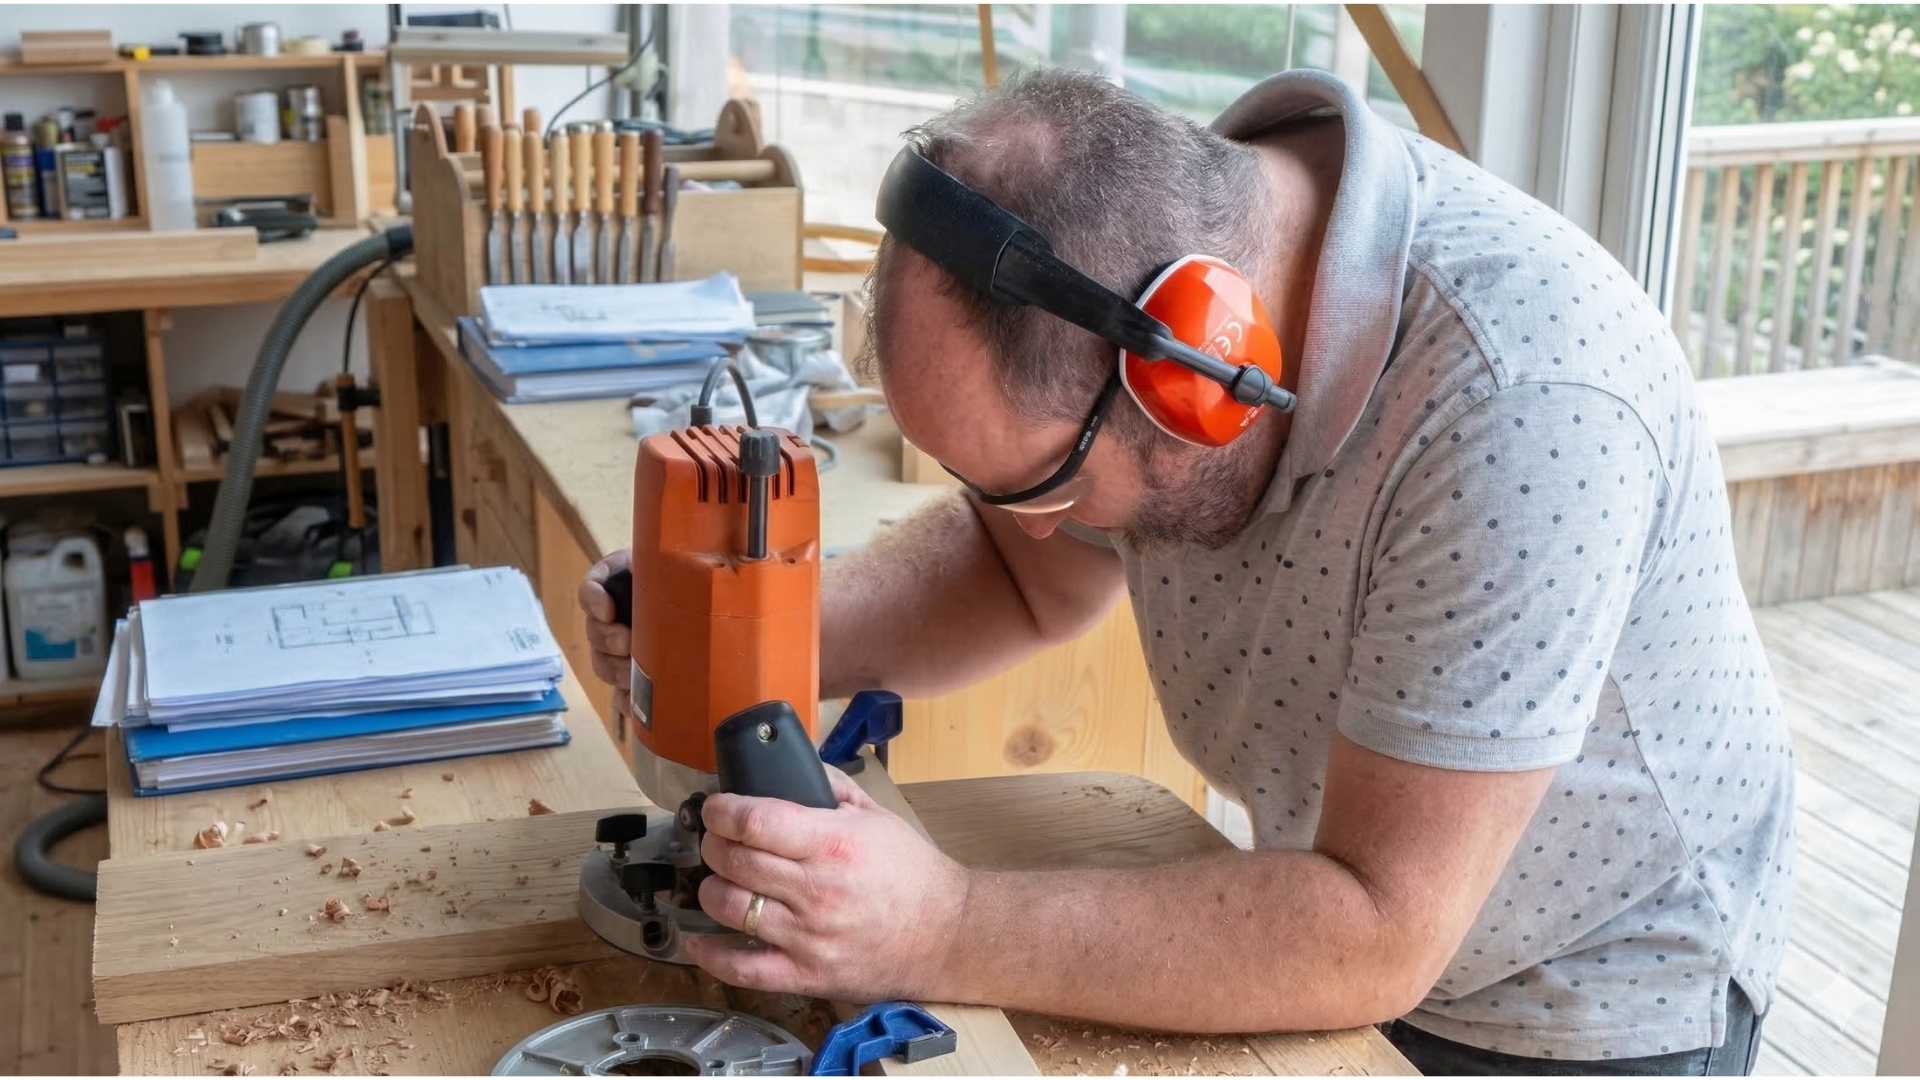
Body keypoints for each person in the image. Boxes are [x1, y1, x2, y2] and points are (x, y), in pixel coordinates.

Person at [580, 67, 1792, 1075]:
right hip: (1337, 903)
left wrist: (936, 922)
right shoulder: (1167, 247)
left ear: (1205, 369)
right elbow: (1016, 580)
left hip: (1573, 994)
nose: (1035, 526)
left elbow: (1376, 929)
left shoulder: (1524, 408)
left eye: (1043, 484)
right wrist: (747, 625)